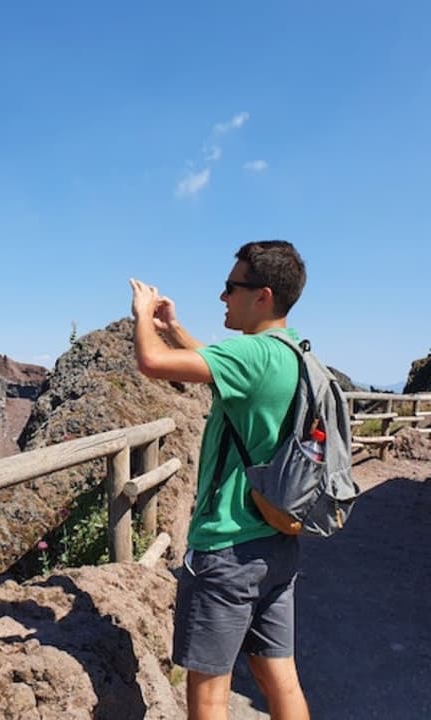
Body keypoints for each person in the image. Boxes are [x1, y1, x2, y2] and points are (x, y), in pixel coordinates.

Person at [130, 241, 311, 720]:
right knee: (281, 681)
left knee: (210, 695)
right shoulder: (292, 354)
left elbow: (150, 364)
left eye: (232, 287)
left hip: (227, 549)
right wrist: (174, 328)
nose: (222, 296)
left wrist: (143, 315)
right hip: (276, 539)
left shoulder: (249, 353)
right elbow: (217, 367)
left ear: (263, 296)